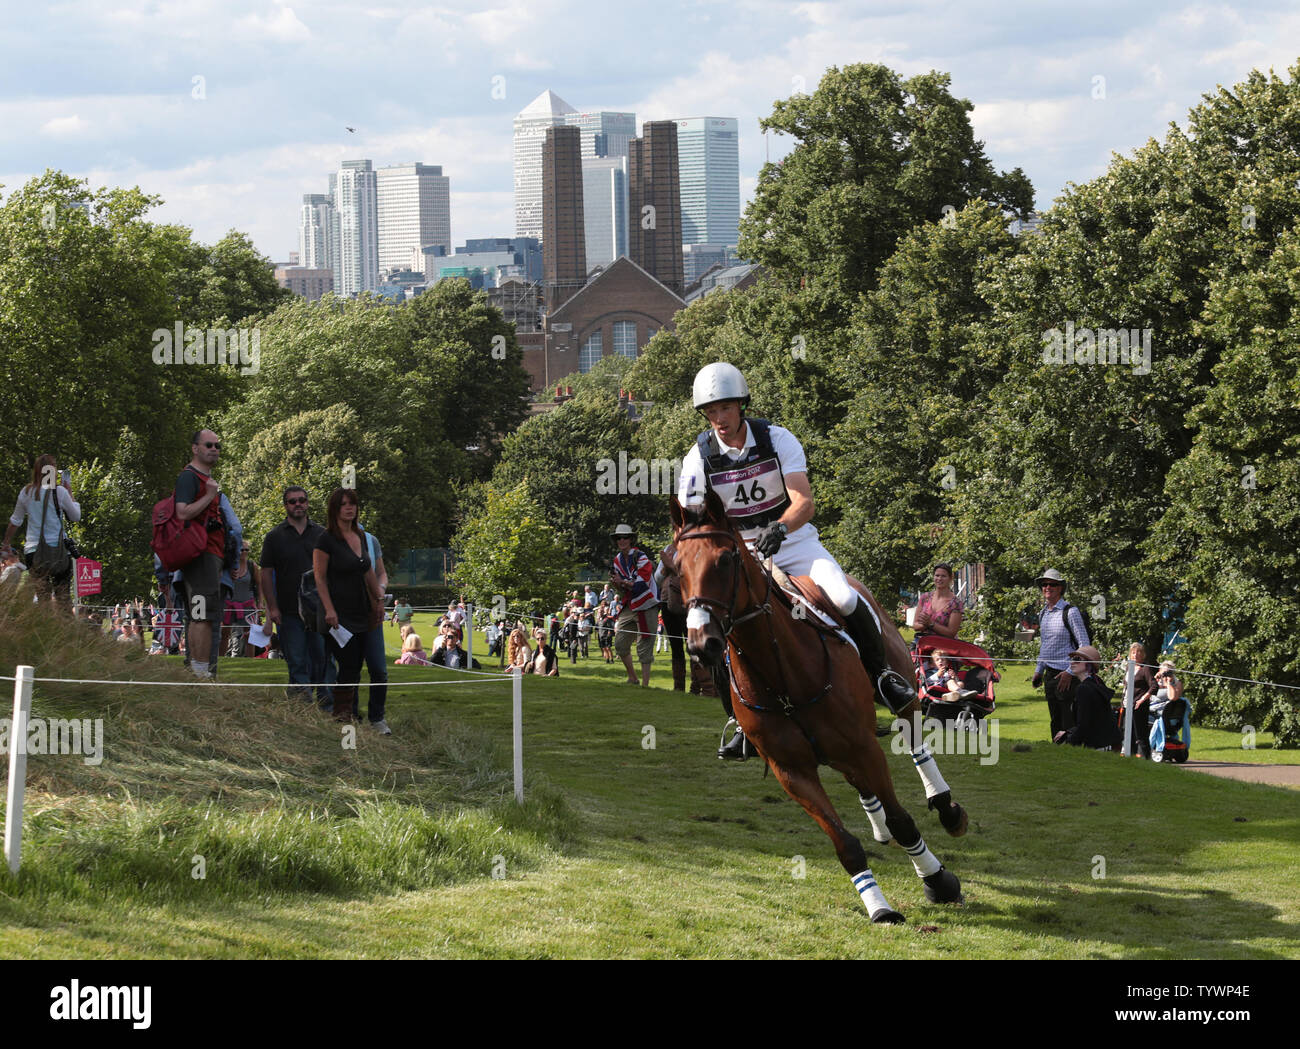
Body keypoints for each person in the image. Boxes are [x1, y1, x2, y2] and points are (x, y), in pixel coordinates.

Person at [677, 362, 918, 759]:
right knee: (716, 625)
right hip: (742, 558)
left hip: (795, 544)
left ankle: (883, 678)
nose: (719, 418)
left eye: (726, 408)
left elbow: (804, 502)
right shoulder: (696, 459)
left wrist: (781, 528)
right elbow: (693, 519)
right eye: (711, 411)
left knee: (843, 597)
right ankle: (740, 721)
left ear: (741, 405)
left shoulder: (777, 439)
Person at [313, 488, 383, 723]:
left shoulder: (359, 535)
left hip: (361, 610)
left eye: (352, 503)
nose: (349, 508)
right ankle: (342, 714)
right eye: (344, 504)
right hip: (337, 614)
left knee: (355, 665)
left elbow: (368, 570)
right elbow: (319, 577)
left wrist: (378, 600)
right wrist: (329, 609)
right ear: (335, 509)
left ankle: (350, 713)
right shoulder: (325, 539)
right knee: (348, 663)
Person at [260, 486, 330, 705]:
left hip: (318, 610)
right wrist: (272, 608)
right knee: (296, 659)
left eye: (302, 500)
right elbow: (265, 573)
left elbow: (331, 571)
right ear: (286, 506)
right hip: (288, 610)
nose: (298, 504)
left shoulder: (322, 534)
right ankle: (302, 706)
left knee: (322, 659)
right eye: (292, 501)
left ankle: (327, 704)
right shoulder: (274, 537)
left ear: (307, 503)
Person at [169, 430, 226, 678]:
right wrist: (211, 495)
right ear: (195, 448)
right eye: (208, 445)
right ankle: (201, 673)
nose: (214, 449)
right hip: (201, 555)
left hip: (209, 555)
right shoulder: (189, 477)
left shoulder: (204, 478)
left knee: (198, 615)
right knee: (202, 616)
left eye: (217, 446)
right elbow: (182, 512)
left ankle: (196, 670)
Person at [4, 454, 82, 607]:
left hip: (34, 551)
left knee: (43, 597)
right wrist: (70, 493)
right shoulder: (59, 492)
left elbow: (15, 521)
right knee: (63, 597)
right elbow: (75, 517)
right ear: (53, 471)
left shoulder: (26, 492)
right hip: (58, 551)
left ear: (36, 471)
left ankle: (45, 621)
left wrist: (6, 542)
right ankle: (65, 622)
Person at [1032, 568, 1091, 741]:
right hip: (1050, 675)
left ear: (1060, 588)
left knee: (1068, 721)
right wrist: (1038, 671)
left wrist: (1070, 672)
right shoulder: (1044, 613)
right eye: (1044, 584)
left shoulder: (1070, 612)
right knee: (1055, 720)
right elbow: (1045, 645)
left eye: (1052, 584)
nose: (1047, 587)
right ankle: (1057, 753)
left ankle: (1071, 753)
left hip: (1067, 676)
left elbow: (1084, 645)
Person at [609, 523, 659, 687]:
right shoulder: (617, 560)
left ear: (631, 539)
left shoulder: (641, 557)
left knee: (644, 646)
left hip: (647, 604)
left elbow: (641, 585)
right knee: (620, 644)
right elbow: (623, 589)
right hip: (630, 604)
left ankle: (645, 685)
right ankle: (633, 678)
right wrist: (616, 583)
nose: (622, 540)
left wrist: (622, 581)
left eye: (625, 537)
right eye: (619, 538)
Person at [1054, 646, 1121, 750]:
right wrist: (1068, 732)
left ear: (1089, 664)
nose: (1072, 662)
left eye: (1077, 659)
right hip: (1108, 744)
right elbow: (1091, 719)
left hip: (1100, 746)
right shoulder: (1095, 682)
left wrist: (1067, 745)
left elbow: (1084, 726)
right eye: (1072, 659)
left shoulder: (1084, 688)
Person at [654, 544, 689, 691]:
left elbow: (691, 575)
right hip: (667, 602)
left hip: (686, 603)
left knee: (692, 645)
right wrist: (665, 568)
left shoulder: (691, 546)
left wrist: (671, 566)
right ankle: (678, 687)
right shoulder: (668, 548)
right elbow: (657, 578)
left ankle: (702, 687)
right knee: (675, 645)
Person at [223, 540, 260, 658]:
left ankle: (250, 661)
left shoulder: (252, 566)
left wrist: (260, 603)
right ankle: (219, 659)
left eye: (246, 550)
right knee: (224, 633)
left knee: (250, 635)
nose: (244, 552)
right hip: (229, 604)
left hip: (247, 604)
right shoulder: (228, 565)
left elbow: (259, 584)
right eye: (241, 550)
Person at [912, 563, 963, 640]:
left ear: (950, 578)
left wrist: (931, 623)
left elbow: (951, 633)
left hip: (944, 645)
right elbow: (915, 626)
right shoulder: (925, 598)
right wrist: (925, 624)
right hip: (924, 643)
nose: (939, 578)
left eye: (943, 576)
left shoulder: (956, 603)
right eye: (937, 575)